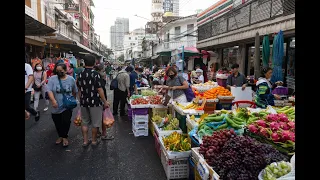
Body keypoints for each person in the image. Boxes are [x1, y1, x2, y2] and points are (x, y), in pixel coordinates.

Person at [77, 55, 110, 146]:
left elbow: (79, 90)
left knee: (84, 122)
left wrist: (81, 100)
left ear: (84, 63)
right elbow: (99, 89)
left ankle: (85, 141)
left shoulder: (80, 74)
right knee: (95, 123)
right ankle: (94, 140)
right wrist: (105, 101)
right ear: (94, 63)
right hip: (95, 102)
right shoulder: (96, 74)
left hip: (84, 102)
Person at [47, 63, 78, 147]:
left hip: (67, 106)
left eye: (61, 71)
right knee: (57, 122)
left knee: (66, 121)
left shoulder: (71, 79)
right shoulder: (52, 79)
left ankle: (64, 137)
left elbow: (75, 91)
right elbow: (49, 90)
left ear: (65, 70)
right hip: (56, 105)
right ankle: (60, 135)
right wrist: (53, 101)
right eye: (57, 71)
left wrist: (72, 100)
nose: (59, 72)